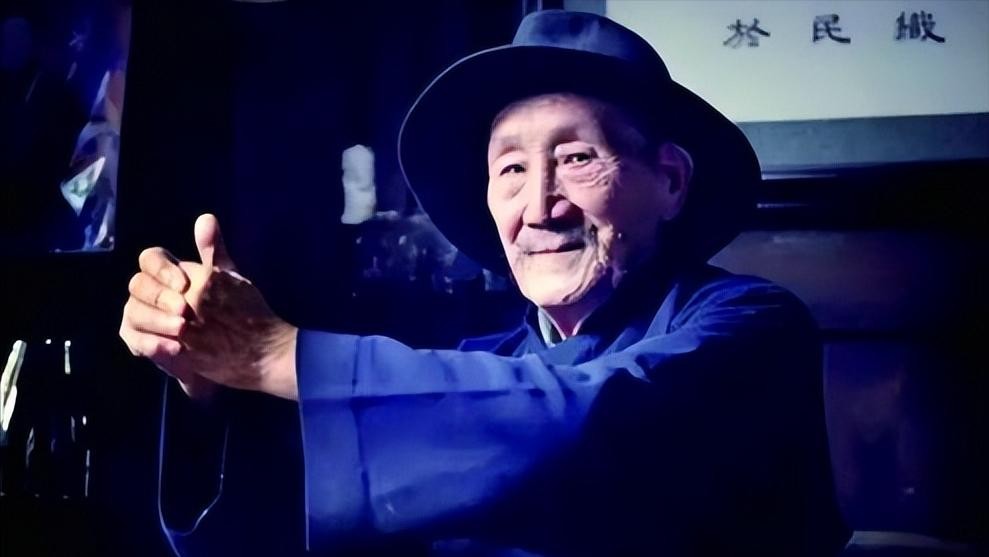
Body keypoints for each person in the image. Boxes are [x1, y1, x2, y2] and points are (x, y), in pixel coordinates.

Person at [119, 10, 849, 557]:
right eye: (511, 169)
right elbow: (296, 529)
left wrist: (275, 356)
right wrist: (212, 385)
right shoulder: (485, 361)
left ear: (669, 181)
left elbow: (589, 422)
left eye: (577, 158)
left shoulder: (751, 326)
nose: (539, 206)